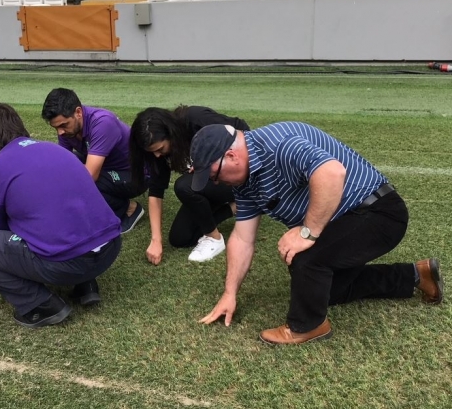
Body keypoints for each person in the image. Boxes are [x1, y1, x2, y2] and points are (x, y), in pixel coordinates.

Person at [192, 122, 443, 344]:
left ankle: (308, 326)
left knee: (305, 259)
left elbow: (331, 172)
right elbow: (242, 238)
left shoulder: (279, 144)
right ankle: (415, 275)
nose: (216, 184)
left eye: (214, 176)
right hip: (346, 220)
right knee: (324, 289)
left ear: (231, 155)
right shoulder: (244, 183)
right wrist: (230, 293)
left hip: (378, 212)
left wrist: (307, 233)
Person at [0, 103, 122, 329]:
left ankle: (41, 305)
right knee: (64, 216)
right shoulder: (58, 150)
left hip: (69, 264)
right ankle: (86, 286)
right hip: (111, 248)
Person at [129, 106, 250, 264]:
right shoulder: (157, 155)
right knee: (180, 238)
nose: (157, 155)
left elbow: (243, 131)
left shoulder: (195, 119)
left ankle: (214, 238)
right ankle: (236, 207)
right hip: (208, 185)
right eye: (152, 152)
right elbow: (156, 193)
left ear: (171, 134)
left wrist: (217, 161)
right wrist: (156, 240)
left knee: (184, 186)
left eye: (160, 149)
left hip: (239, 178)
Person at [42, 88, 146, 234]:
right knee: (66, 168)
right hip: (106, 167)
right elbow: (62, 163)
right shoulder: (67, 129)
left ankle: (129, 208)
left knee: (86, 181)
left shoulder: (103, 123)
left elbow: (90, 176)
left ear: (78, 112)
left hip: (135, 175)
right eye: (56, 127)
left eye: (63, 125)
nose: (60, 132)